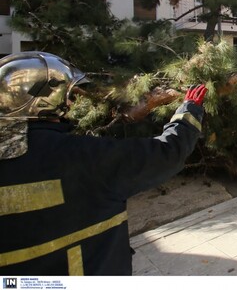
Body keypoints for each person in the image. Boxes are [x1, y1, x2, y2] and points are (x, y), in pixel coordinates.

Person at [0, 51, 207, 276]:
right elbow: (167, 152)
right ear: (44, 99)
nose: (70, 102)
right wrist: (189, 111)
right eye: (66, 95)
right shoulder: (81, 156)